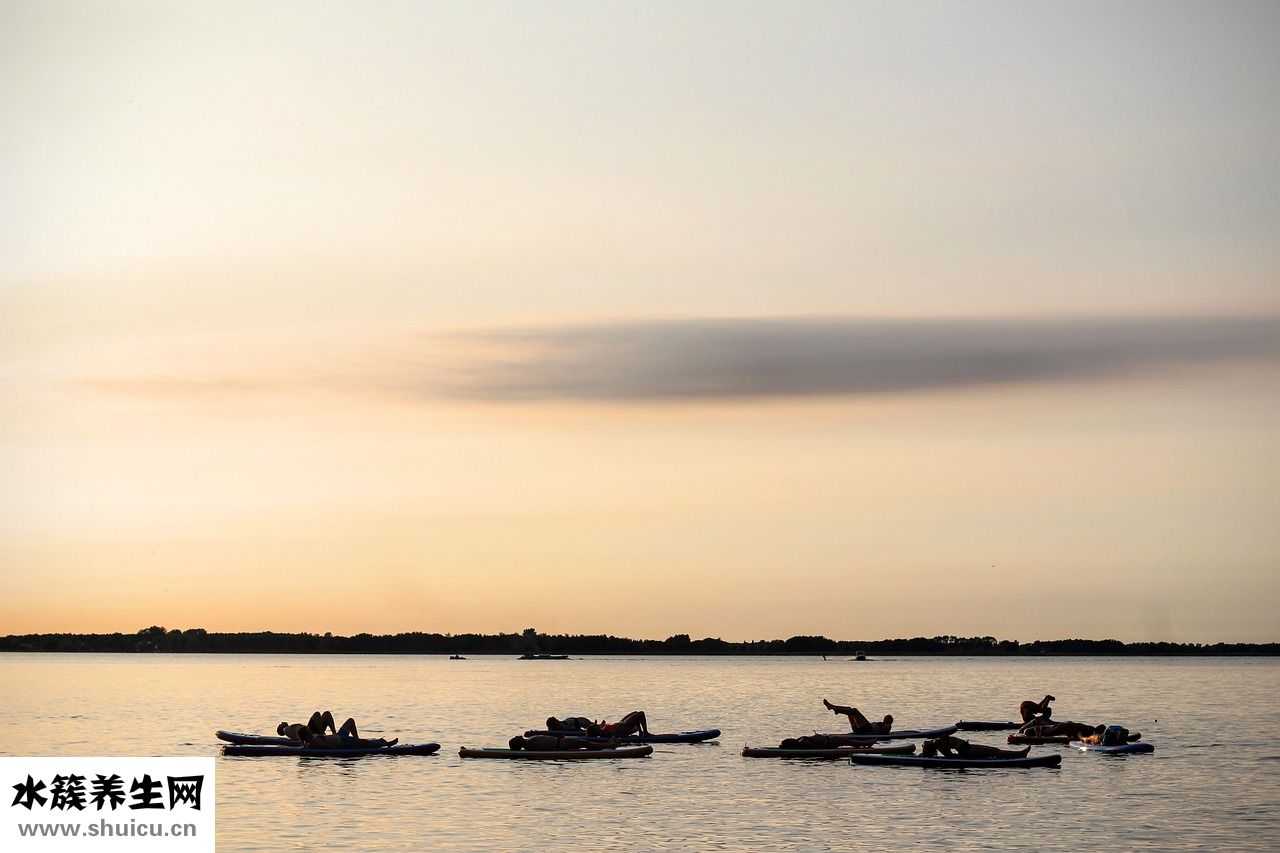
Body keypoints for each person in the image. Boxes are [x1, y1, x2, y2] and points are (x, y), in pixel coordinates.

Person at [296, 717, 396, 749]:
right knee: (365, 743)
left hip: (339, 736)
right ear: (306, 734)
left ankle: (358, 740)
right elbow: (330, 748)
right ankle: (385, 744)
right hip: (341, 741)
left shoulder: (311, 740)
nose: (310, 729)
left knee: (350, 721)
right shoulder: (313, 742)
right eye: (308, 730)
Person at [921, 735, 1030, 759]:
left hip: (969, 748)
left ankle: (1019, 754)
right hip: (968, 751)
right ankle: (1020, 754)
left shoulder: (937, 741)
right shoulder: (937, 742)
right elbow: (949, 756)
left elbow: (949, 754)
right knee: (995, 752)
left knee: (995, 750)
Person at [822, 699, 893, 735]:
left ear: (889, 720)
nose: (884, 718)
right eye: (885, 717)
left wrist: (868, 735)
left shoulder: (888, 726)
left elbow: (881, 732)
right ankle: (832, 707)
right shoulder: (884, 724)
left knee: (855, 711)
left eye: (886, 718)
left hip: (866, 729)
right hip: (860, 730)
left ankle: (835, 709)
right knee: (849, 709)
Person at [508, 734, 621, 751]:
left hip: (561, 741)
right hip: (561, 743)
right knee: (585, 744)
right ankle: (609, 746)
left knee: (585, 743)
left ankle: (607, 745)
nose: (516, 736)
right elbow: (545, 750)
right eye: (515, 738)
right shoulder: (529, 744)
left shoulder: (528, 742)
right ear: (518, 743)